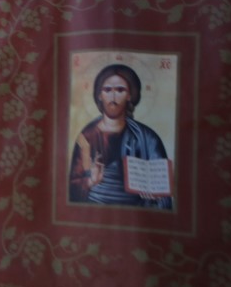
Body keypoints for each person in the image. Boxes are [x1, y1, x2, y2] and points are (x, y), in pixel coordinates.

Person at [68, 63, 172, 209]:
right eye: (107, 90)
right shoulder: (86, 137)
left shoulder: (148, 138)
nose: (113, 96)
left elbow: (164, 196)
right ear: (99, 94)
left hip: (137, 215)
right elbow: (71, 189)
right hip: (95, 211)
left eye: (120, 90)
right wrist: (90, 181)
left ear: (130, 95)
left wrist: (154, 194)